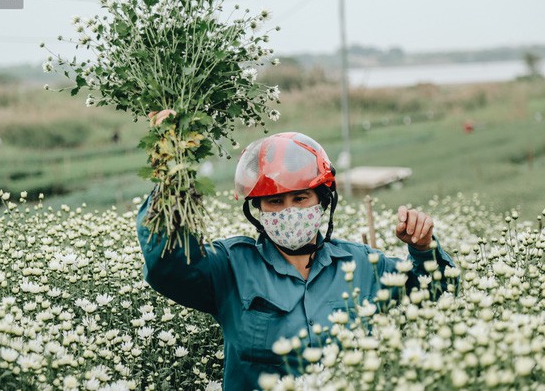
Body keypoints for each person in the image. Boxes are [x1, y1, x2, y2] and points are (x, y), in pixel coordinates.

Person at [136, 132, 455, 391]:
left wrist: (424, 249)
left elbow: (438, 292)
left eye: (300, 198)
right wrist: (171, 180)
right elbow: (167, 265)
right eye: (275, 201)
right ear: (258, 210)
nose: (289, 211)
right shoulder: (231, 267)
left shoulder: (361, 264)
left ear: (322, 201)